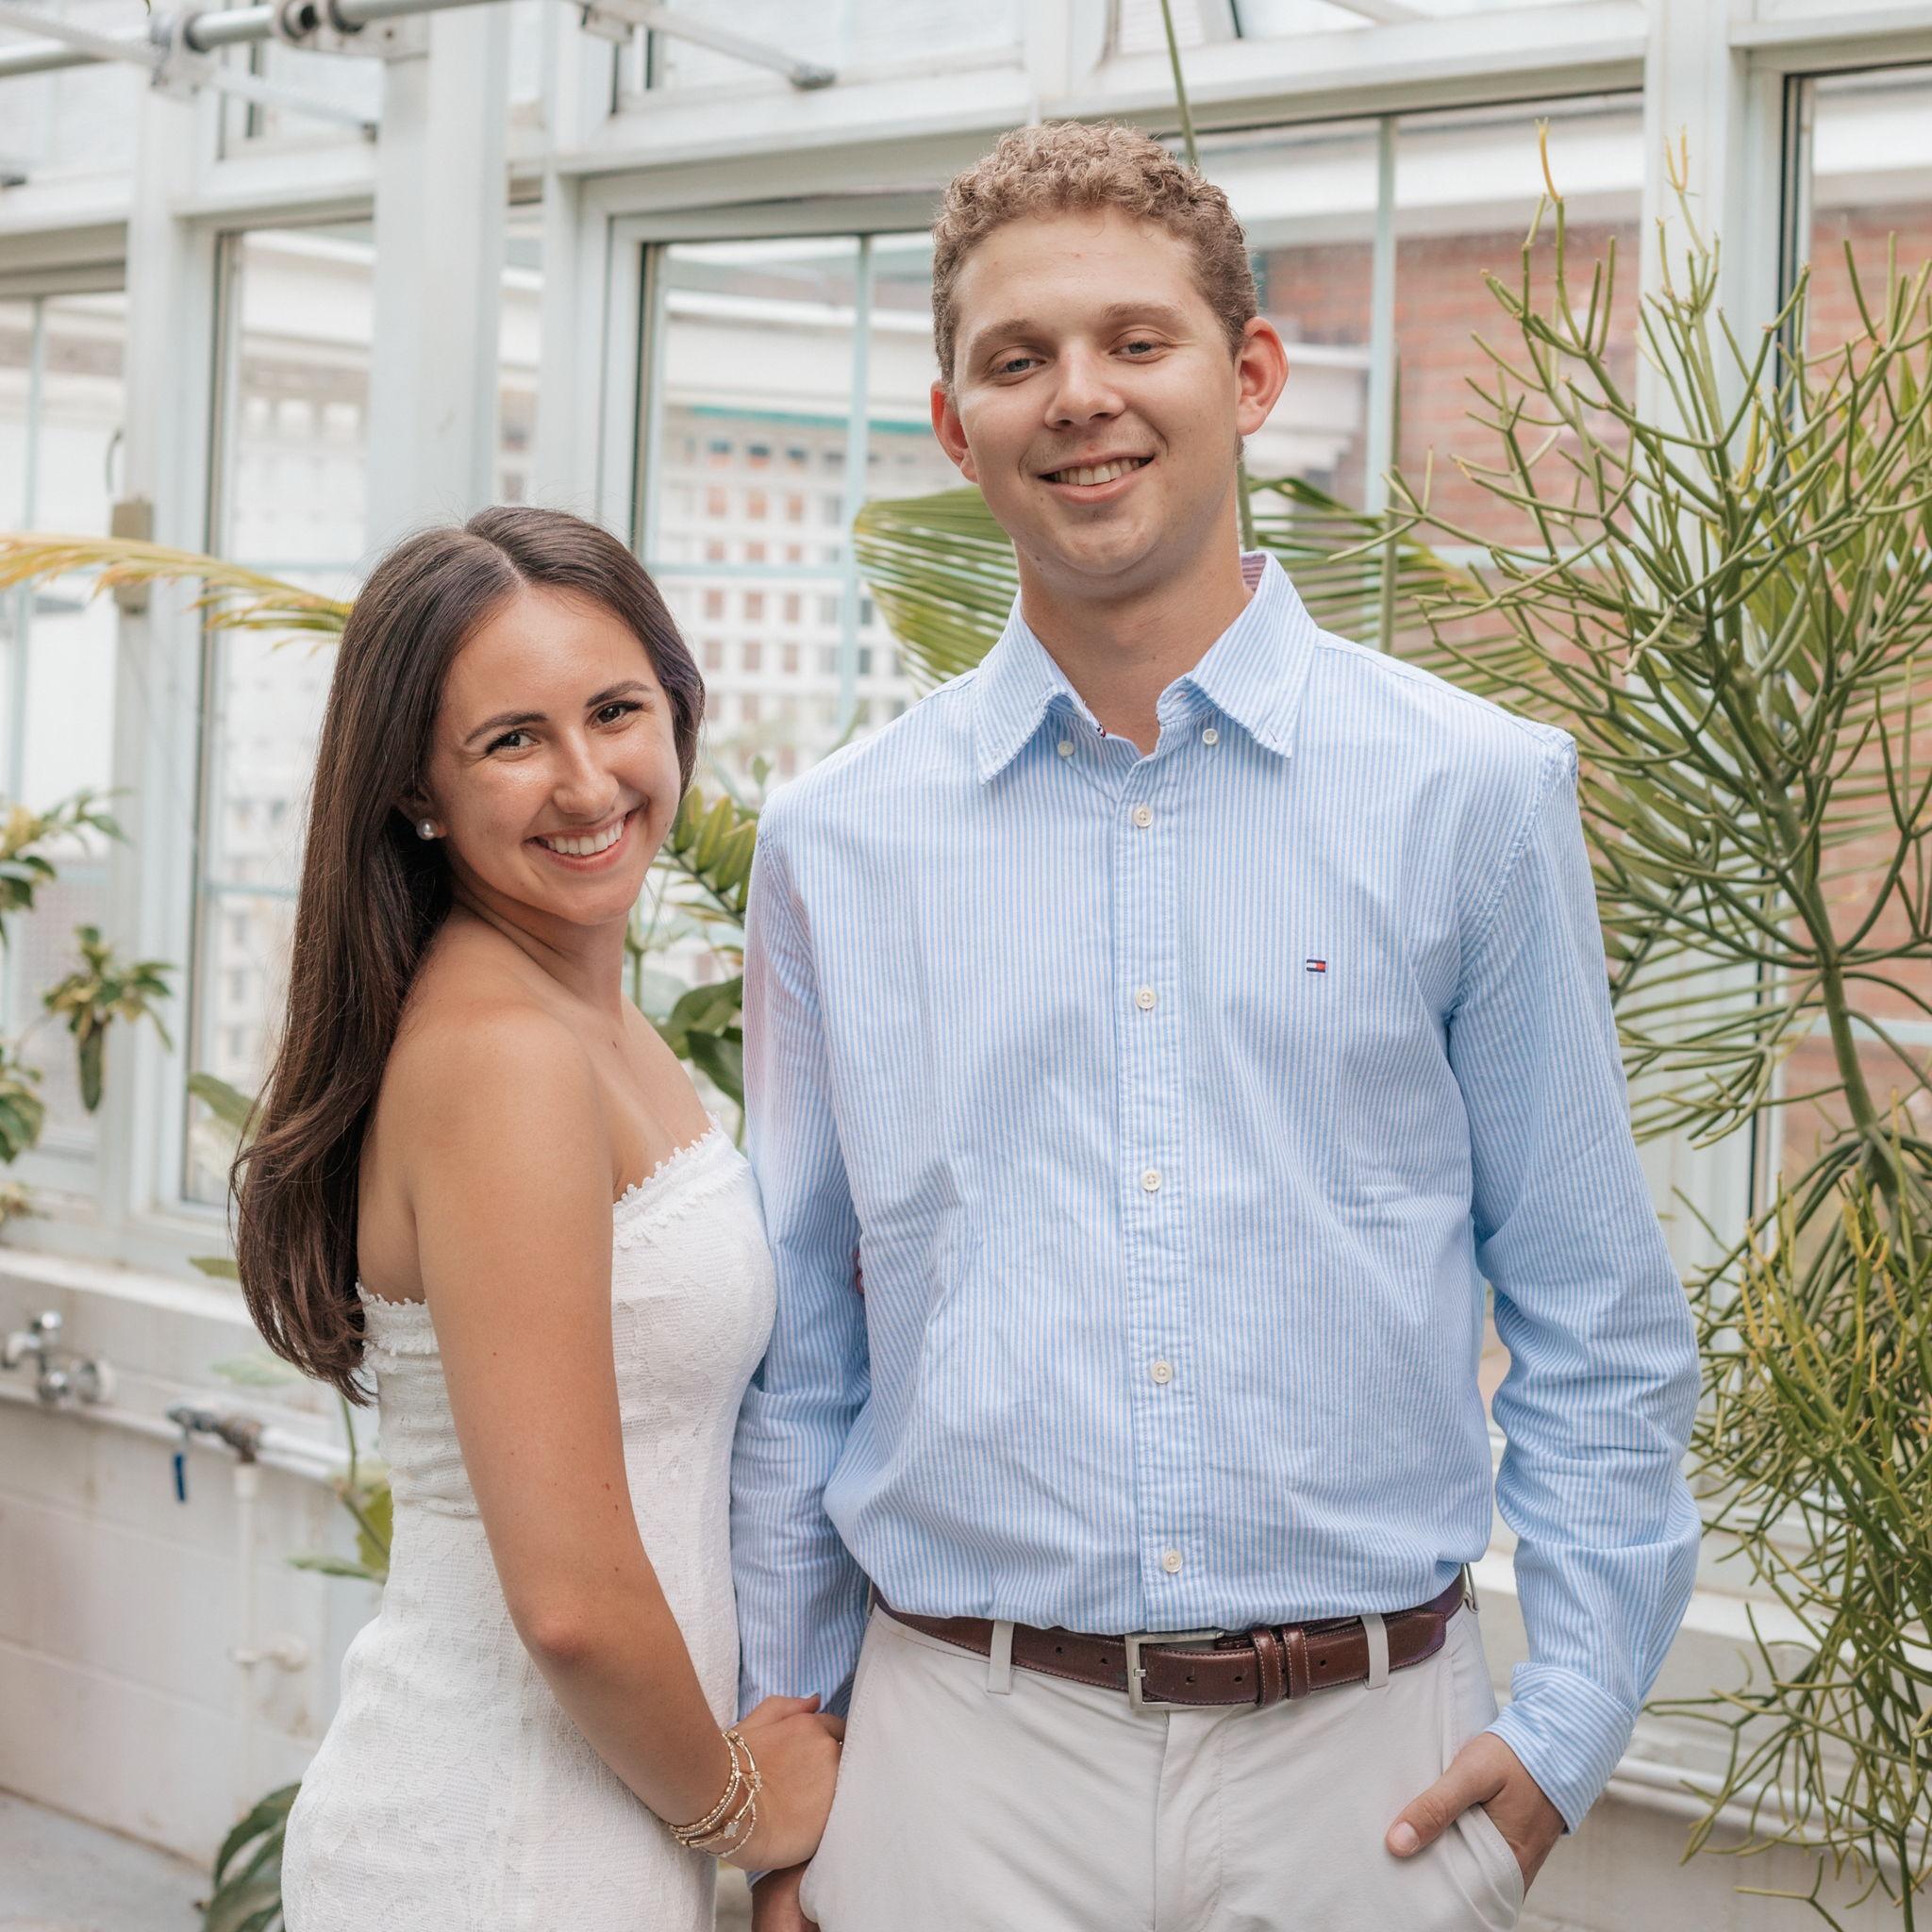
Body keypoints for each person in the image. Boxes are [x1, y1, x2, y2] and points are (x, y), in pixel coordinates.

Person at [732, 123, 1700, 1931]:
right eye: (1017, 359)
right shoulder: (835, 842)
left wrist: (1566, 1728)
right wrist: (787, 1779)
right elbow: (802, 1358)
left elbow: (1597, 1310)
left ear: (1250, 377)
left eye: (1136, 341)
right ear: (954, 425)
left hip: (1368, 1777)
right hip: (956, 1767)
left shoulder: (1475, 793)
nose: (1078, 397)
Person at [233, 506, 841, 1930]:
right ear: (417, 792)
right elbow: (569, 1601)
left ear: (676, 709)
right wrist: (744, 1814)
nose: (586, 782)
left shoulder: (583, 1010)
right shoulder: (504, 1056)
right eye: (512, 740)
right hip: (502, 1845)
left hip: (583, 1818)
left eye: (616, 712)